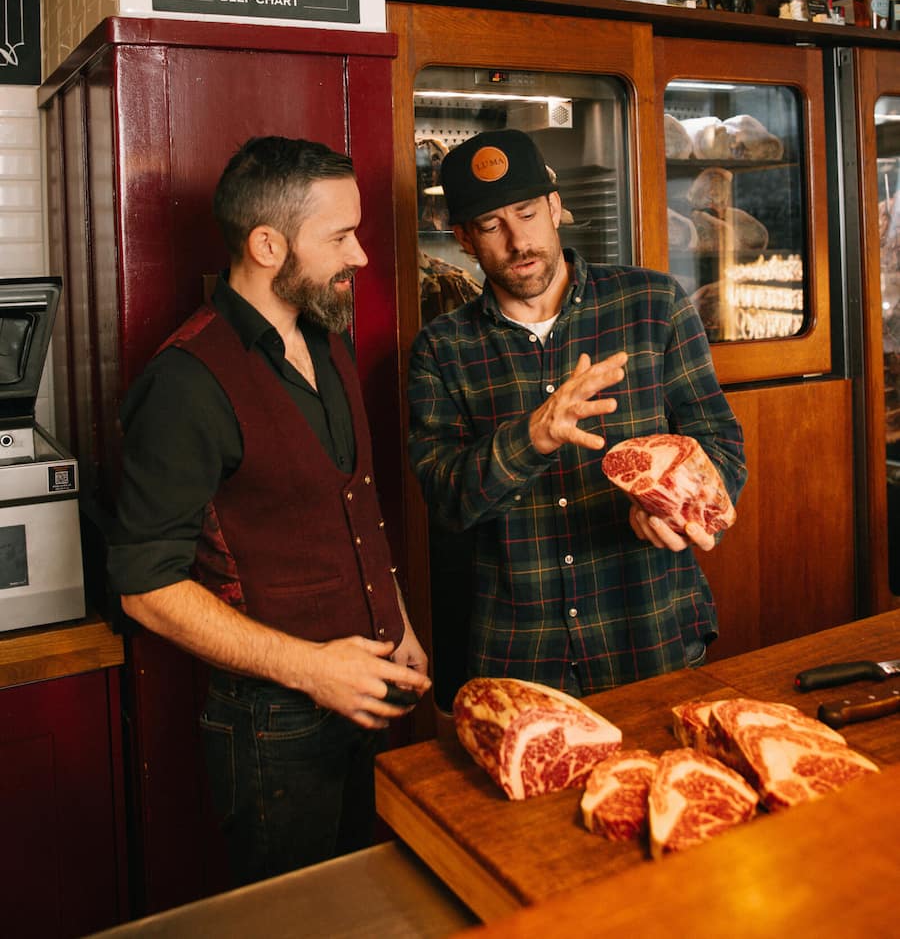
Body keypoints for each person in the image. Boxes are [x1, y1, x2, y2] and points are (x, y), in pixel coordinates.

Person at [108, 135, 430, 887]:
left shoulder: (328, 335)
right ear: (265, 243)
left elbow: (350, 502)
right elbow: (144, 585)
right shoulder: (186, 381)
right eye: (340, 237)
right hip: (274, 726)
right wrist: (312, 671)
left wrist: (400, 622)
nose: (360, 257)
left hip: (374, 692)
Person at [407, 128, 746, 699]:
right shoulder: (443, 348)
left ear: (556, 208)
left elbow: (719, 444)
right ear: (464, 238)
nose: (519, 240)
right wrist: (532, 437)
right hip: (523, 654)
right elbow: (446, 501)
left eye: (528, 212)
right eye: (491, 225)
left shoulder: (653, 305)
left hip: (650, 630)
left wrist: (679, 513)